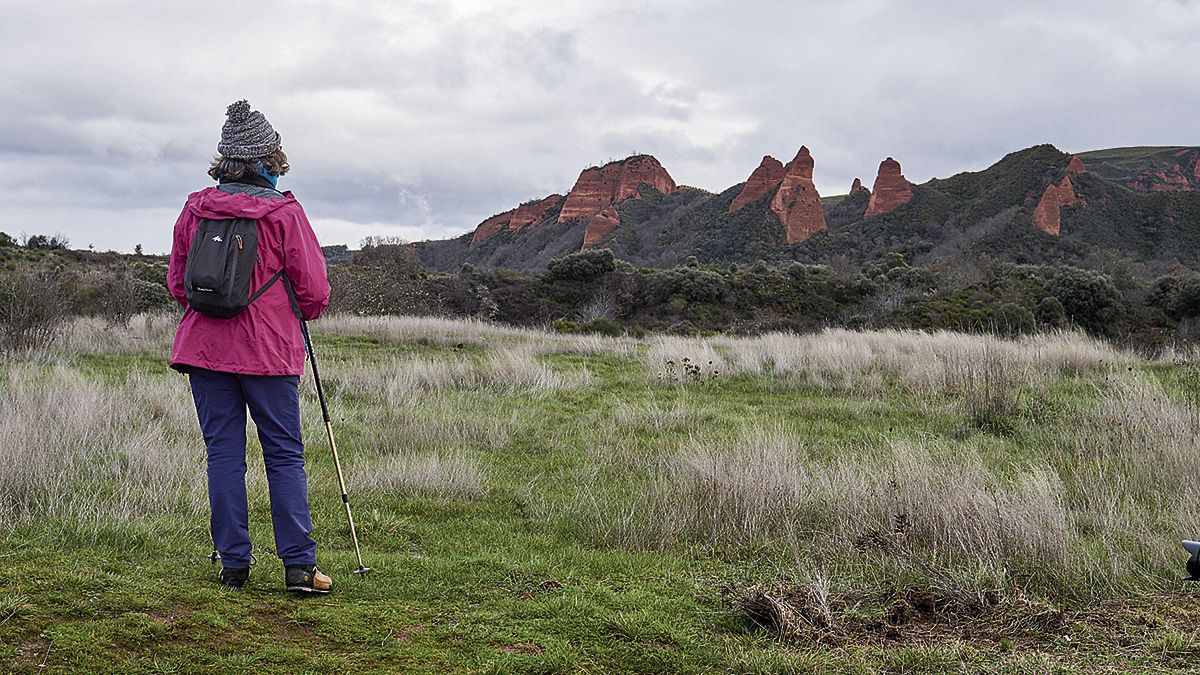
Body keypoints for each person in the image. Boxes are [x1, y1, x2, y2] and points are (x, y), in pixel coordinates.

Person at [167, 100, 333, 593]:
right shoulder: (285, 214)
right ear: (268, 160)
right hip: (269, 353)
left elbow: (178, 283)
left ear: (226, 160)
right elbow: (314, 292)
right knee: (283, 455)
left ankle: (233, 566)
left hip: (204, 349)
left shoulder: (195, 208)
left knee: (223, 454)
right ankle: (299, 567)